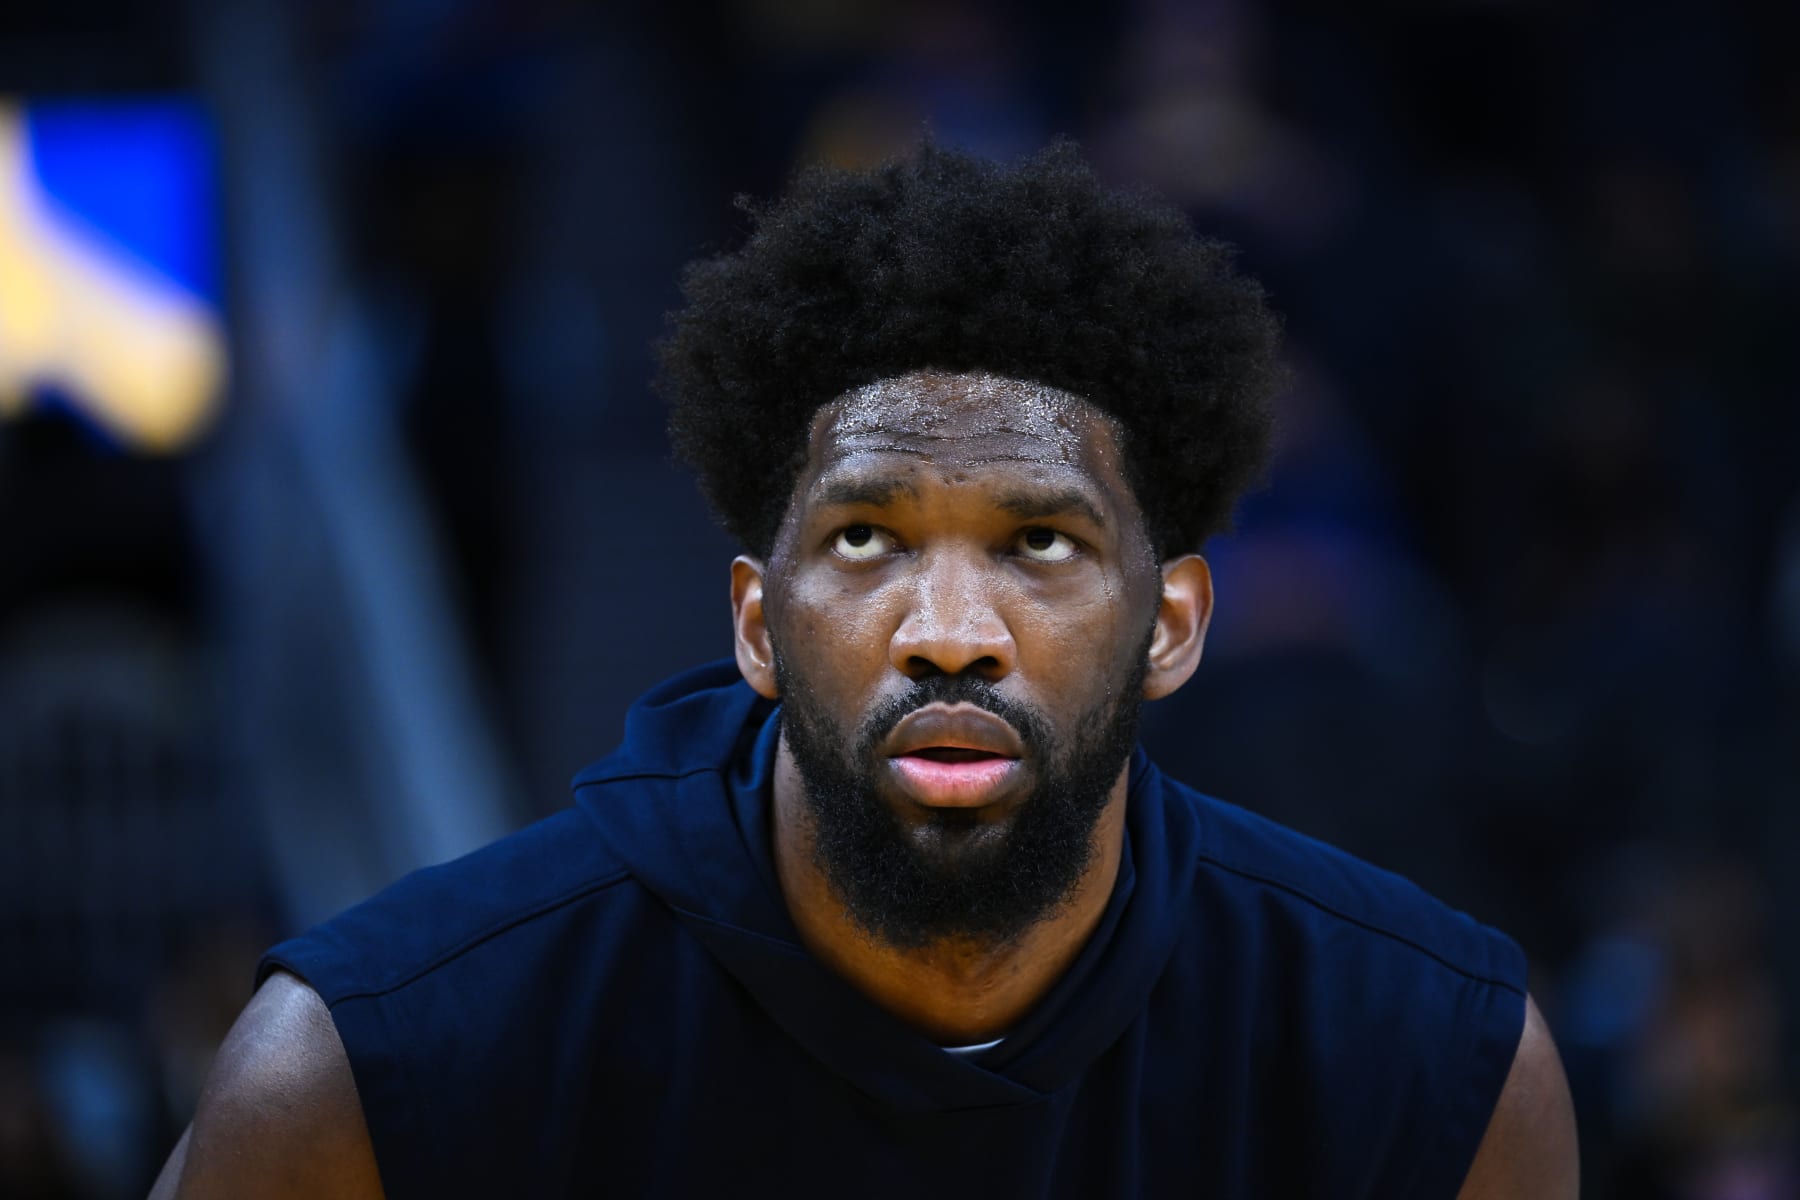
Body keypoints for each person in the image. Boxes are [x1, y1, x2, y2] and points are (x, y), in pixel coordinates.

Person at [150, 142, 1577, 1198]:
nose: (948, 628)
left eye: (1039, 541)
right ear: (757, 625)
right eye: (866, 537)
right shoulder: (369, 1071)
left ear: (1173, 626)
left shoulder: (1427, 1067)